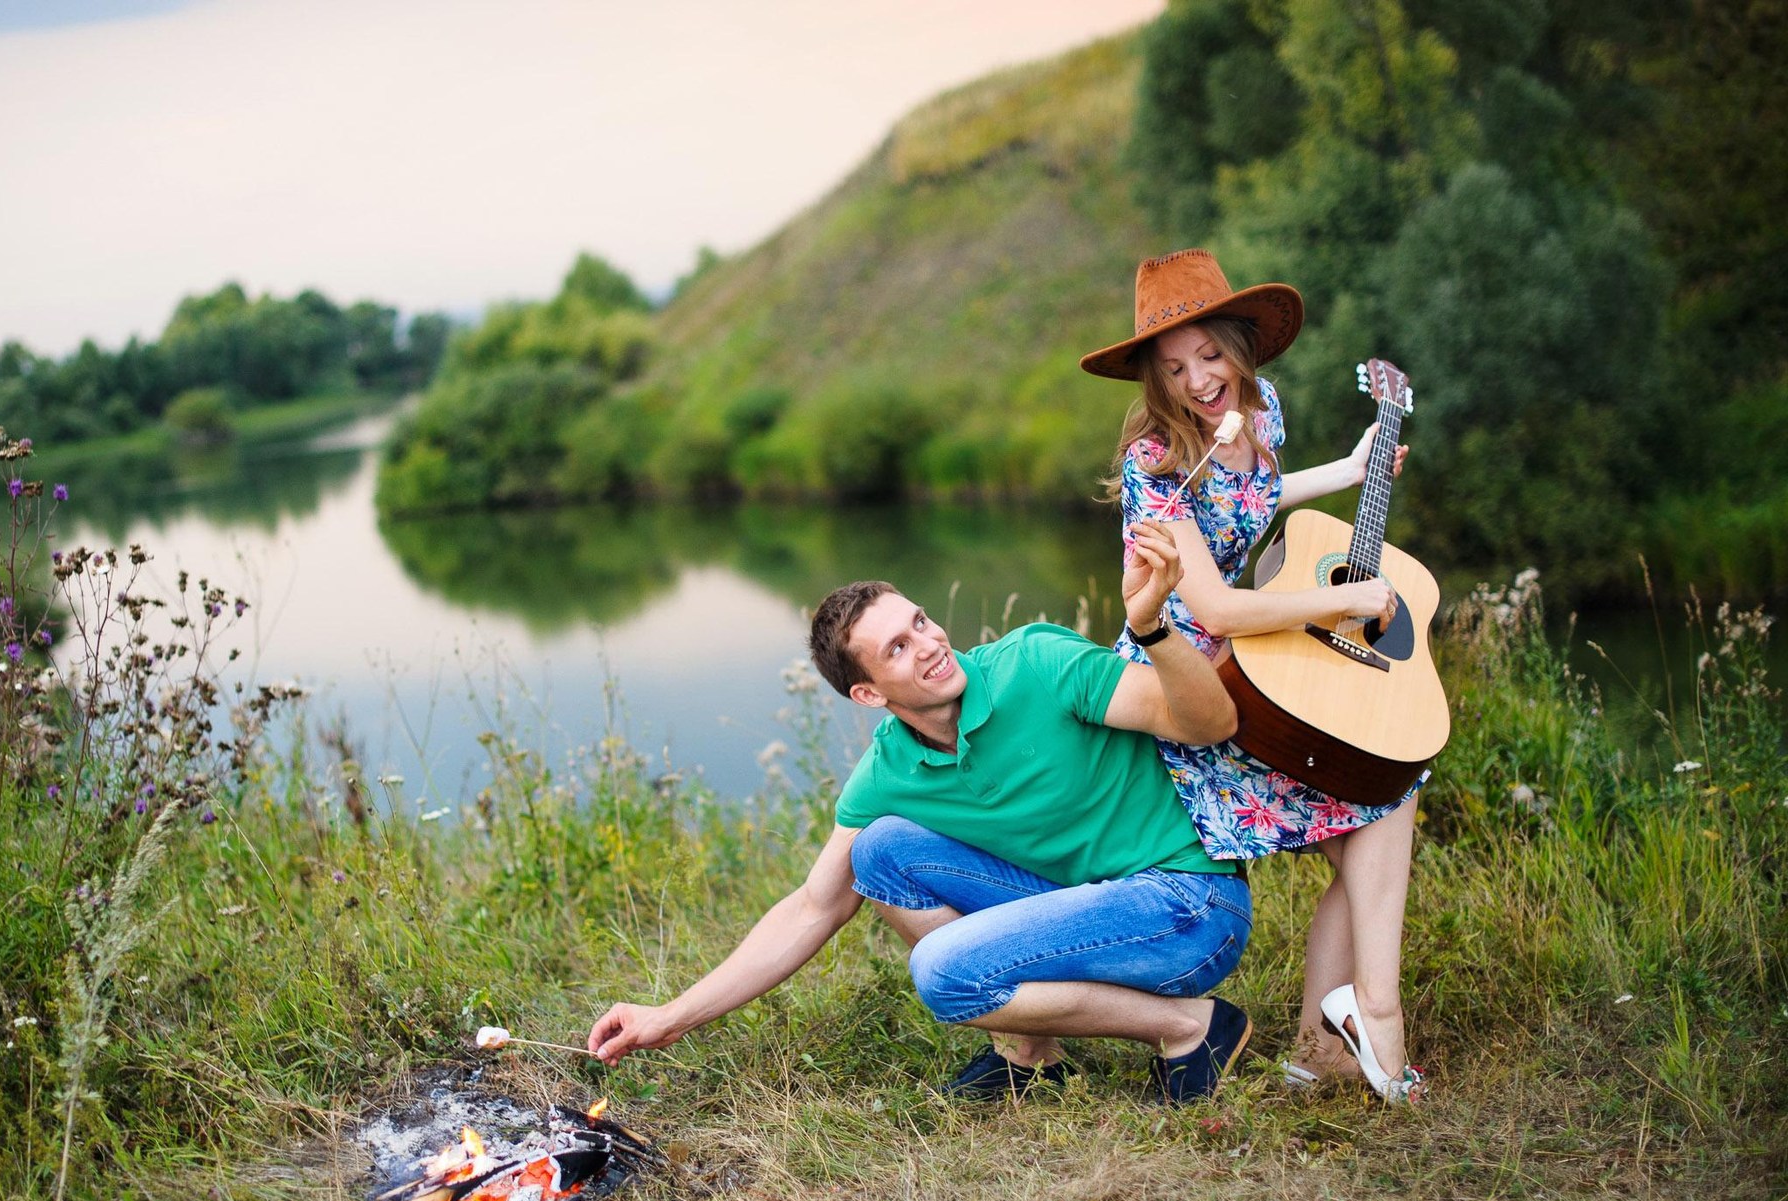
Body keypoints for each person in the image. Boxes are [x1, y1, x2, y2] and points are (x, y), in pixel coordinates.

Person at [588, 522, 1256, 1102]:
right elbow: (812, 907)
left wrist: (1151, 626)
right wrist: (670, 1017)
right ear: (869, 694)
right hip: (1087, 905)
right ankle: (1030, 1057)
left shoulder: (1037, 663)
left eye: (919, 622)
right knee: (877, 851)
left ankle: (1192, 1028)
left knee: (945, 972)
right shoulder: (889, 772)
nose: (931, 643)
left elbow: (1209, 722)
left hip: (1188, 906)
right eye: (898, 649)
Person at [1078, 248, 1426, 1103]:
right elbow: (1220, 612)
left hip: (1256, 655)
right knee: (1381, 795)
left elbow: (1253, 500)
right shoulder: (1154, 466)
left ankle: (1328, 1041)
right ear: (1154, 380)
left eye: (1210, 355)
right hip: (1189, 679)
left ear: (1241, 344)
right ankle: (1363, 1021)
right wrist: (1341, 599)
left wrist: (1349, 473)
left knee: (1380, 794)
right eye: (1175, 368)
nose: (1200, 380)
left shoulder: (1261, 409)